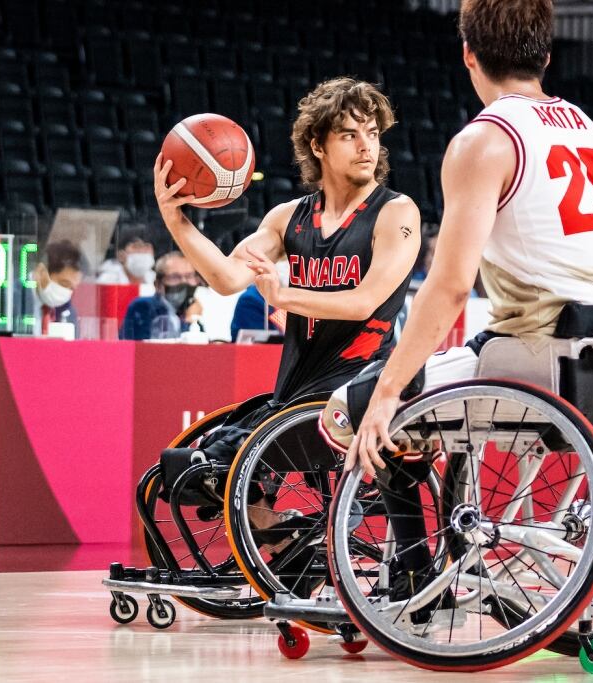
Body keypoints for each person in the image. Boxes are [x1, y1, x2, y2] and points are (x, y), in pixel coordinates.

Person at [322, 0, 593, 471]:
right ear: (545, 56)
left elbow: (452, 286)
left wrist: (389, 389)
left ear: (468, 54)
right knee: (417, 405)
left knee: (346, 406)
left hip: (524, 355)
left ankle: (412, 548)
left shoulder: (485, 140)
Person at [153, 77, 421, 534]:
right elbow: (226, 279)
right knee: (193, 469)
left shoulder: (396, 213)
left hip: (358, 387)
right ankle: (282, 540)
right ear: (318, 144)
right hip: (295, 391)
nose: (366, 147)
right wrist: (174, 218)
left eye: (373, 134)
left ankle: (294, 541)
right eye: (350, 135)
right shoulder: (287, 219)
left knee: (231, 458)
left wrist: (281, 294)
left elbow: (364, 302)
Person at [120, 251, 203, 340]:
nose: (184, 282)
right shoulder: (143, 307)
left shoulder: (190, 308)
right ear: (158, 284)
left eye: (189, 276)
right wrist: (189, 321)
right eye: (175, 277)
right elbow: (142, 348)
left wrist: (194, 320)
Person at [33, 240, 85, 337]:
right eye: (64, 284)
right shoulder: (13, 300)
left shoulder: (68, 311)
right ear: (41, 272)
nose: (67, 292)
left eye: (72, 288)